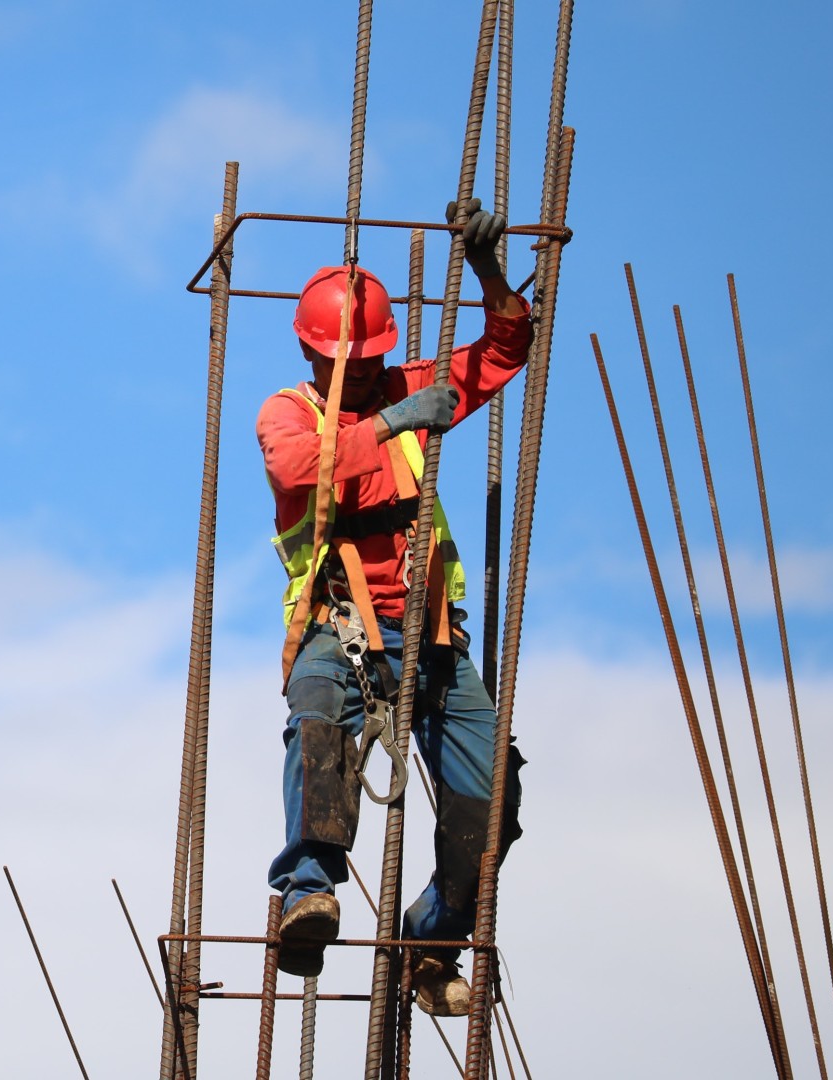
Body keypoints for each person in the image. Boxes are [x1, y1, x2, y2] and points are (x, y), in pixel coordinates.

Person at [254, 200, 527, 1017]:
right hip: (339, 627)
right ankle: (310, 888)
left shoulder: (407, 388)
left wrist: (488, 274)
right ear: (312, 350)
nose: (369, 374)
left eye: (376, 360)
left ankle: (429, 940)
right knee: (316, 715)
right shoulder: (288, 414)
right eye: (353, 362)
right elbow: (303, 468)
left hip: (432, 639)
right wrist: (392, 420)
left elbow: (504, 350)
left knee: (492, 813)